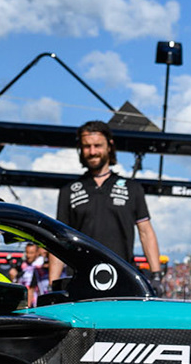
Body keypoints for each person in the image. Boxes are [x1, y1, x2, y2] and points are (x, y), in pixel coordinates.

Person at [48, 120, 160, 284]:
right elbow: (59, 238)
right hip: (80, 279)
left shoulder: (132, 188)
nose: (92, 152)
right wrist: (53, 283)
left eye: (98, 145)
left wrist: (156, 274)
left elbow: (145, 231)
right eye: (87, 146)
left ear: (109, 146)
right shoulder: (68, 191)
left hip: (123, 278)